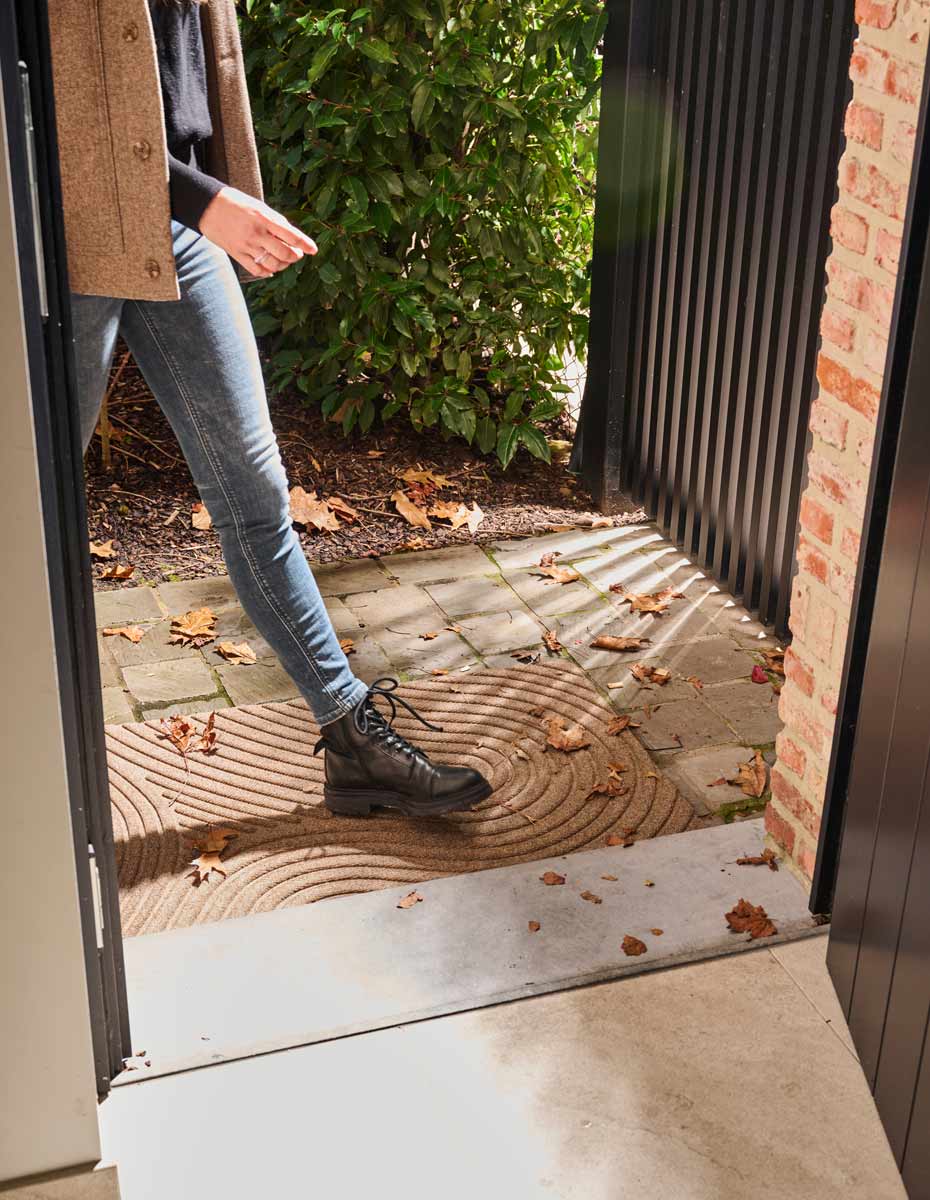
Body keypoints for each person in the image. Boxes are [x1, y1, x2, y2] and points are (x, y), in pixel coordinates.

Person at [47, 0, 492, 818]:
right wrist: (203, 199)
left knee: (256, 501)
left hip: (177, 223)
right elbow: (38, 98)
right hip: (70, 235)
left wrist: (201, 198)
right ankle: (35, 765)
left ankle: (353, 743)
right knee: (32, 520)